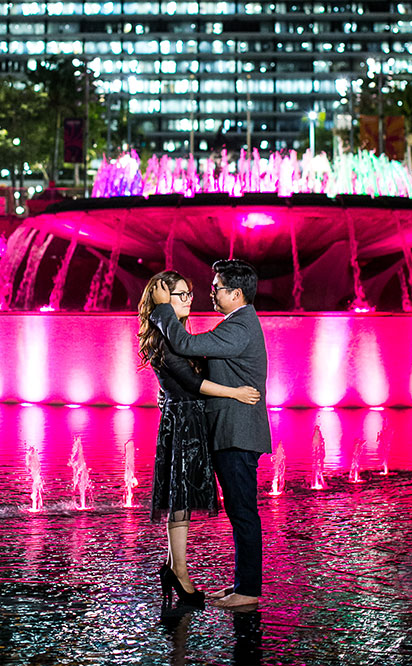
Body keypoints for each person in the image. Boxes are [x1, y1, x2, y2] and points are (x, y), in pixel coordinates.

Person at [150, 259, 271, 609]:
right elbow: (193, 366)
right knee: (239, 510)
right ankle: (241, 584)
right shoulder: (236, 324)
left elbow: (186, 346)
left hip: (237, 433)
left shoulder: (240, 326)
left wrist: (162, 310)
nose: (211, 292)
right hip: (228, 431)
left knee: (244, 511)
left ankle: (248, 590)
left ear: (235, 293)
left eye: (217, 287)